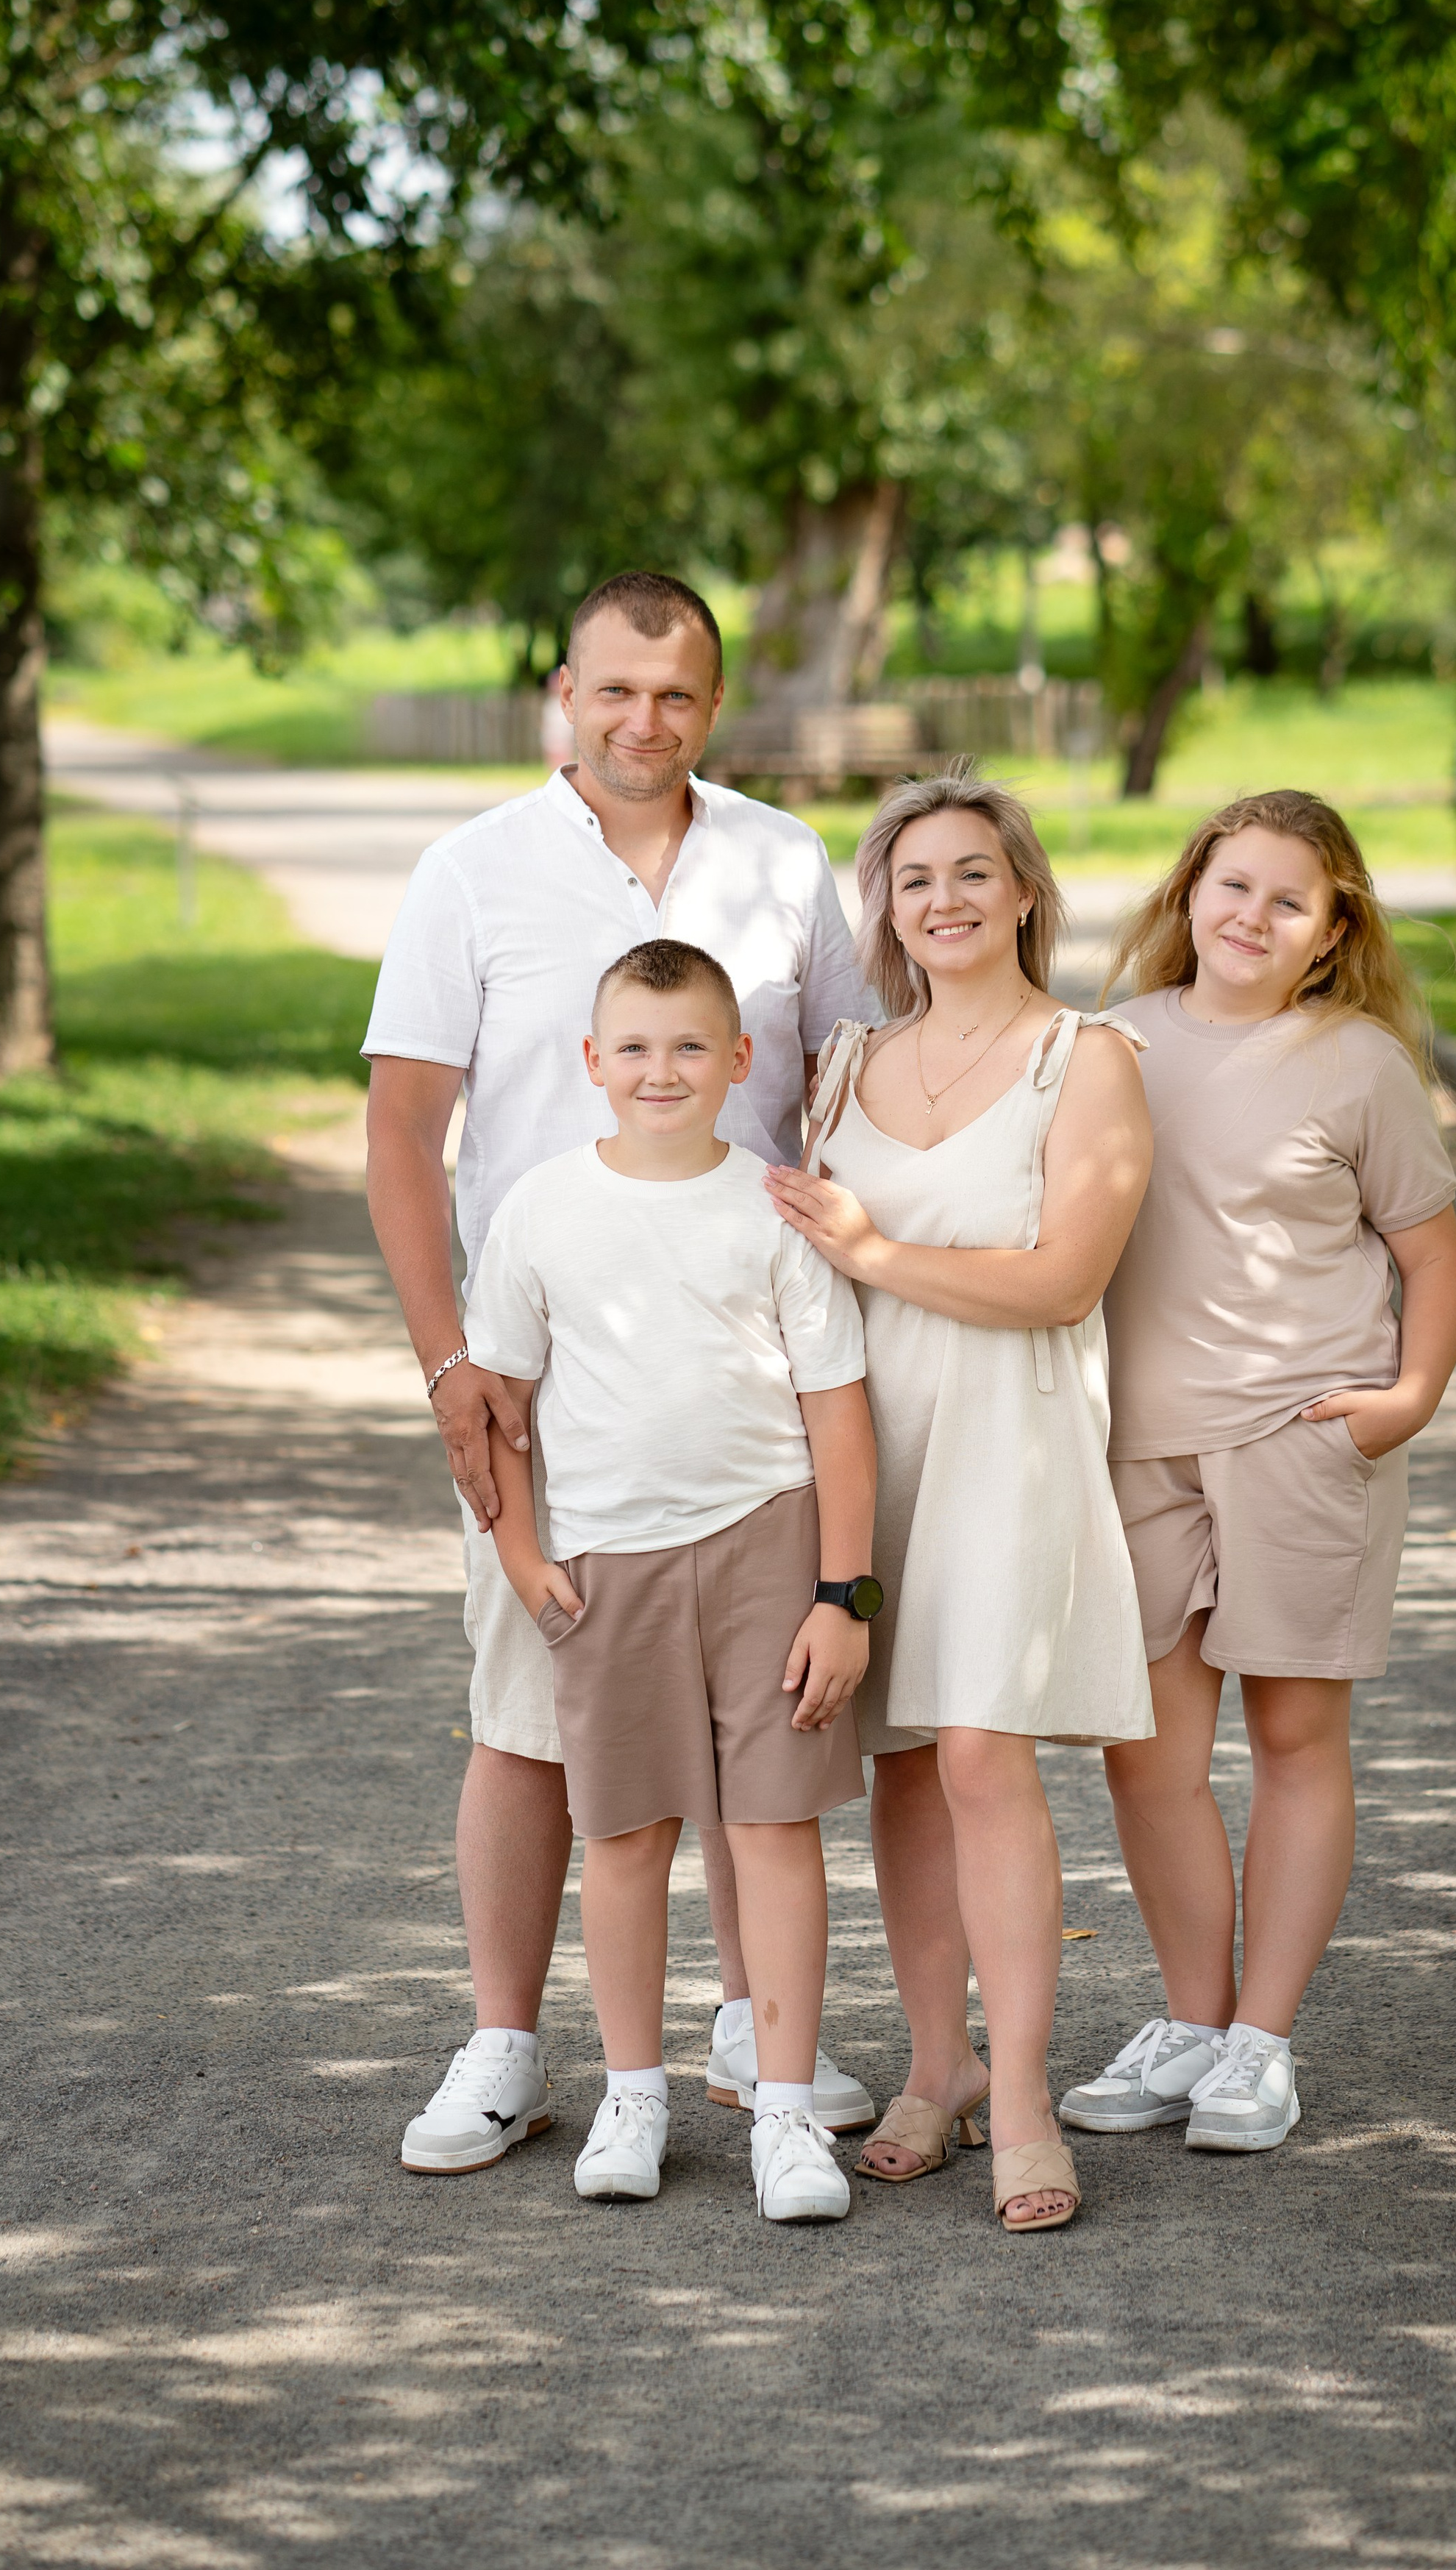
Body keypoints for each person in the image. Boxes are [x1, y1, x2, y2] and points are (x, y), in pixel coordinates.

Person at [363, 570, 879, 2178]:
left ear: (711, 705)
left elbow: (848, 1089)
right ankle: (507, 2046)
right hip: (546, 1383)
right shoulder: (473, 872)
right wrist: (451, 1361)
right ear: (564, 696)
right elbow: (401, 1134)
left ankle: (748, 2025)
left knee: (747, 1734)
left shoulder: (783, 862)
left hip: (745, 1388)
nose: (642, 721)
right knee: (532, 1719)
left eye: (674, 694)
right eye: (613, 691)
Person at [765, 774, 1155, 2232]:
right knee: (905, 1764)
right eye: (914, 877)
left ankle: (1027, 2093)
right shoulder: (842, 1065)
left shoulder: (1085, 1059)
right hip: (870, 1444)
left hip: (1010, 1436)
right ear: (887, 909)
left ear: (1024, 892)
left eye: (973, 871)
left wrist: (875, 1252)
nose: (945, 899)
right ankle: (939, 2066)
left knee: (984, 1749)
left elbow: (1062, 1281)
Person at [1060, 790, 1456, 2154]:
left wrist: (1401, 1404)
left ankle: (1262, 2044)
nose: (1253, 917)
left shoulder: (1358, 1064)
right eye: (1233, 885)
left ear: (1332, 929)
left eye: (1290, 901)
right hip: (1140, 1448)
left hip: (1303, 1439)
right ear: (1190, 890)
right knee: (1147, 1760)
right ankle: (1193, 2022)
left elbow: (1434, 1259)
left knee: (1295, 1741)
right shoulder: (1111, 1043)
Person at [467, 939, 877, 2221]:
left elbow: (839, 1415)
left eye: (692, 1046)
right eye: (636, 1048)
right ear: (592, 1061)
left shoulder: (775, 1208)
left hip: (770, 1550)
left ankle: (785, 2111)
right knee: (626, 1837)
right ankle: (632, 2094)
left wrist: (843, 1597)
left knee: (773, 1831)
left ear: (740, 1060)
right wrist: (523, 1557)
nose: (663, 1070)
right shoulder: (541, 1209)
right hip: (608, 1566)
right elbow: (503, 1405)